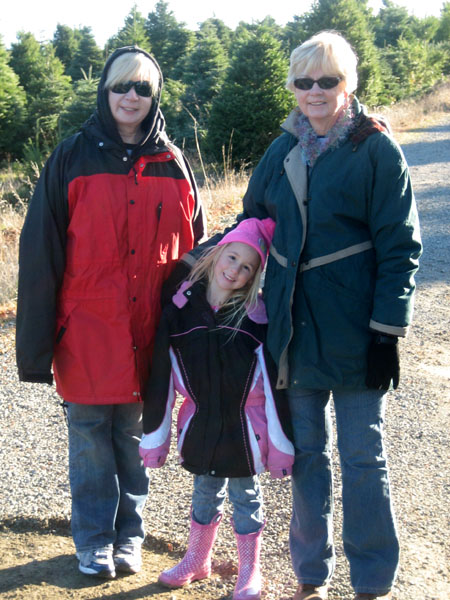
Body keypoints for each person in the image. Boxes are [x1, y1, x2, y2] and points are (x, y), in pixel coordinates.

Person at [174, 31, 422, 600]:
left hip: (357, 330)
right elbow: (253, 221)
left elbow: (401, 248)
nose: (315, 91)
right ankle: (311, 575)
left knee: (364, 457)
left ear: (347, 84)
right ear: (292, 86)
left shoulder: (375, 149)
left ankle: (372, 580)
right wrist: (200, 265)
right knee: (307, 455)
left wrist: (387, 332)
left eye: (327, 80)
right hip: (292, 332)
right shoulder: (281, 150)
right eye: (304, 81)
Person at [16, 46, 206, 579]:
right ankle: (94, 540)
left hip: (151, 333)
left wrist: (198, 335)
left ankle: (130, 538)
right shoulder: (71, 157)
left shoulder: (173, 162)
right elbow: (41, 255)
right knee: (90, 442)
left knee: (134, 441)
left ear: (154, 96)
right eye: (122, 85)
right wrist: (35, 348)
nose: (131, 96)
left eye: (143, 88)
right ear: (105, 90)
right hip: (86, 332)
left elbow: (197, 255)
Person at [139, 218, 295, 600]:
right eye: (232, 257)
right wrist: (155, 438)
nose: (235, 270)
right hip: (202, 425)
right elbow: (162, 378)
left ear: (254, 277)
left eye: (247, 268)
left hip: (246, 430)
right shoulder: (182, 310)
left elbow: (274, 389)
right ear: (217, 254)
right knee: (204, 492)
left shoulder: (255, 318)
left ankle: (250, 571)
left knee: (246, 497)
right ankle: (197, 560)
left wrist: (281, 447)